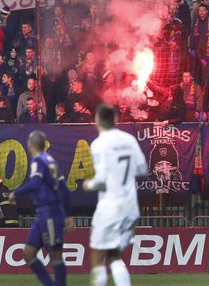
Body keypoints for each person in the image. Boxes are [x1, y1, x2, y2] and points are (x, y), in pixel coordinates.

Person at [83, 104, 147, 286]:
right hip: (131, 207)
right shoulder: (129, 139)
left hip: (111, 206)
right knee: (114, 256)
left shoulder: (99, 144)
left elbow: (101, 179)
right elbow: (142, 168)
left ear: (97, 121)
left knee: (98, 255)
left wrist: (89, 184)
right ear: (116, 120)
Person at [9, 131, 73, 286]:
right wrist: (69, 215)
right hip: (42, 214)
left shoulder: (38, 161)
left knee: (55, 255)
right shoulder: (50, 160)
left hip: (50, 212)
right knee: (28, 254)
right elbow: (64, 189)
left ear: (30, 144)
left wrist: (16, 193)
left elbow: (35, 183)